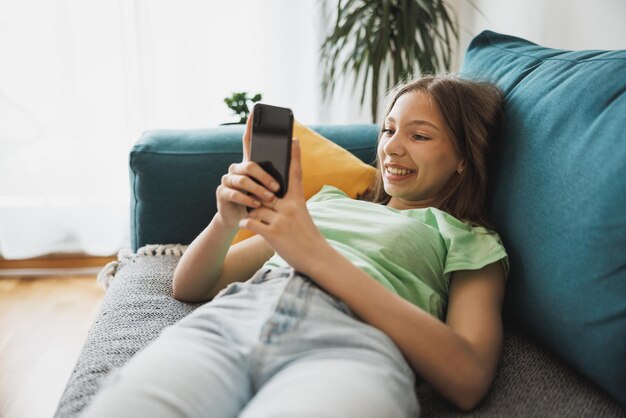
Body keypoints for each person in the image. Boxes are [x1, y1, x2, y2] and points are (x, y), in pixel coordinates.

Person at [83, 74, 508, 418]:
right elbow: (192, 286)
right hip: (234, 323)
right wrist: (226, 220)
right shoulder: (327, 203)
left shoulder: (468, 238)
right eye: (389, 129)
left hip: (349, 351)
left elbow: (467, 377)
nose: (391, 146)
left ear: (463, 159)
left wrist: (316, 256)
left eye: (420, 136)